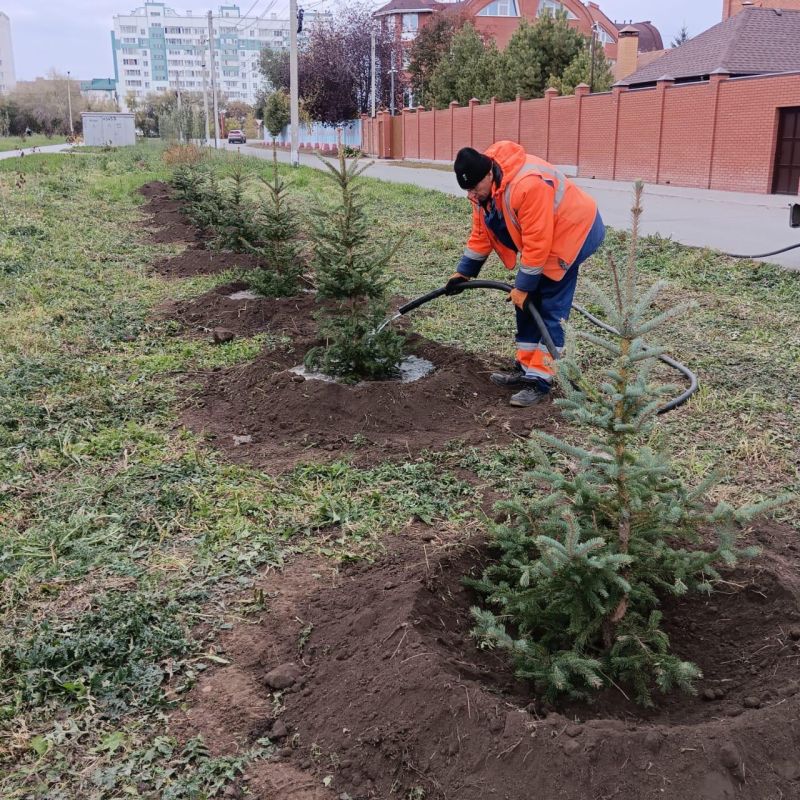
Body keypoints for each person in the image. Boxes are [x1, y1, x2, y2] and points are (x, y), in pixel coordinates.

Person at [447, 141, 605, 407]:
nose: (472, 195)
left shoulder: (526, 184)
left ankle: (540, 380)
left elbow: (538, 241)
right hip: (546, 236)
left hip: (573, 231)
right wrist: (463, 273)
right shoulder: (482, 193)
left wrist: (524, 285)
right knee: (525, 302)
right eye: (468, 190)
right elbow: (481, 234)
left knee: (549, 305)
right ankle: (525, 367)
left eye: (475, 188)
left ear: (488, 174)